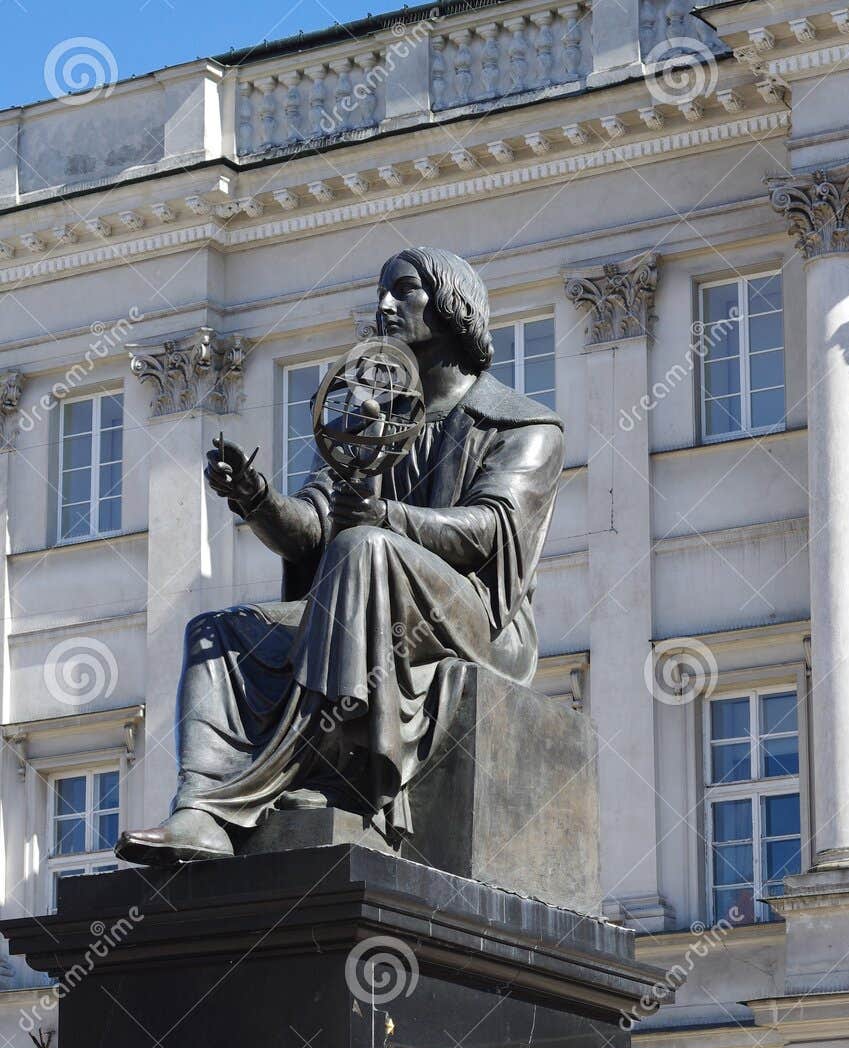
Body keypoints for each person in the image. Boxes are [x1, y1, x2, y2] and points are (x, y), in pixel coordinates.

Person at [116, 246, 564, 864]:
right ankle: (203, 811)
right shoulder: (371, 420)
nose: (384, 305)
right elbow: (312, 529)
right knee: (219, 632)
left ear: (454, 305)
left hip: (474, 623)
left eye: (403, 290)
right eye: (382, 291)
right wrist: (258, 499)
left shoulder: (520, 424)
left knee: (364, 547)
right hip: (363, 597)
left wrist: (388, 517)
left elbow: (492, 532)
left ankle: (329, 778)